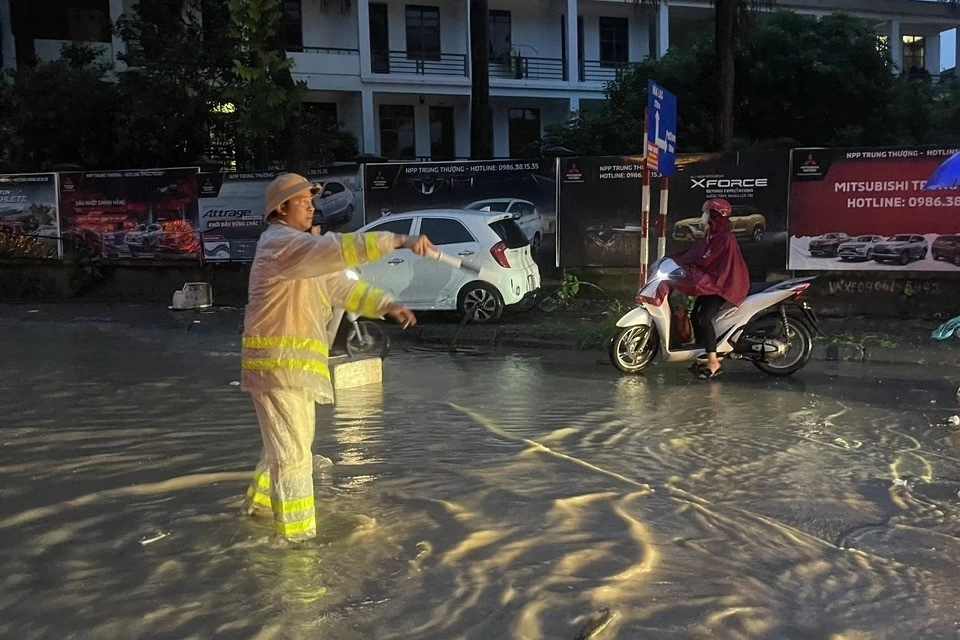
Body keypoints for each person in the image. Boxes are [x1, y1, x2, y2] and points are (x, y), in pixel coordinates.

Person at [241, 173, 434, 542]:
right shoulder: (281, 244)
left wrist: (386, 303)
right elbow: (341, 249)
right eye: (303, 200)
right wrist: (400, 240)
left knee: (285, 445)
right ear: (281, 209)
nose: (311, 205)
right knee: (294, 455)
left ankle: (258, 510)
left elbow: (339, 285)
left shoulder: (297, 250)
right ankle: (296, 543)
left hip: (286, 368)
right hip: (278, 367)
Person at [673, 198, 749, 379]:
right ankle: (702, 356)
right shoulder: (713, 234)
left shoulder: (725, 238)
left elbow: (707, 258)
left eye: (707, 213)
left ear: (716, 215)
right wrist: (677, 259)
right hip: (713, 282)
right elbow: (698, 251)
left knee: (704, 319)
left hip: (724, 284)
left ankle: (714, 363)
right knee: (694, 316)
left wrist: (690, 264)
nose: (703, 216)